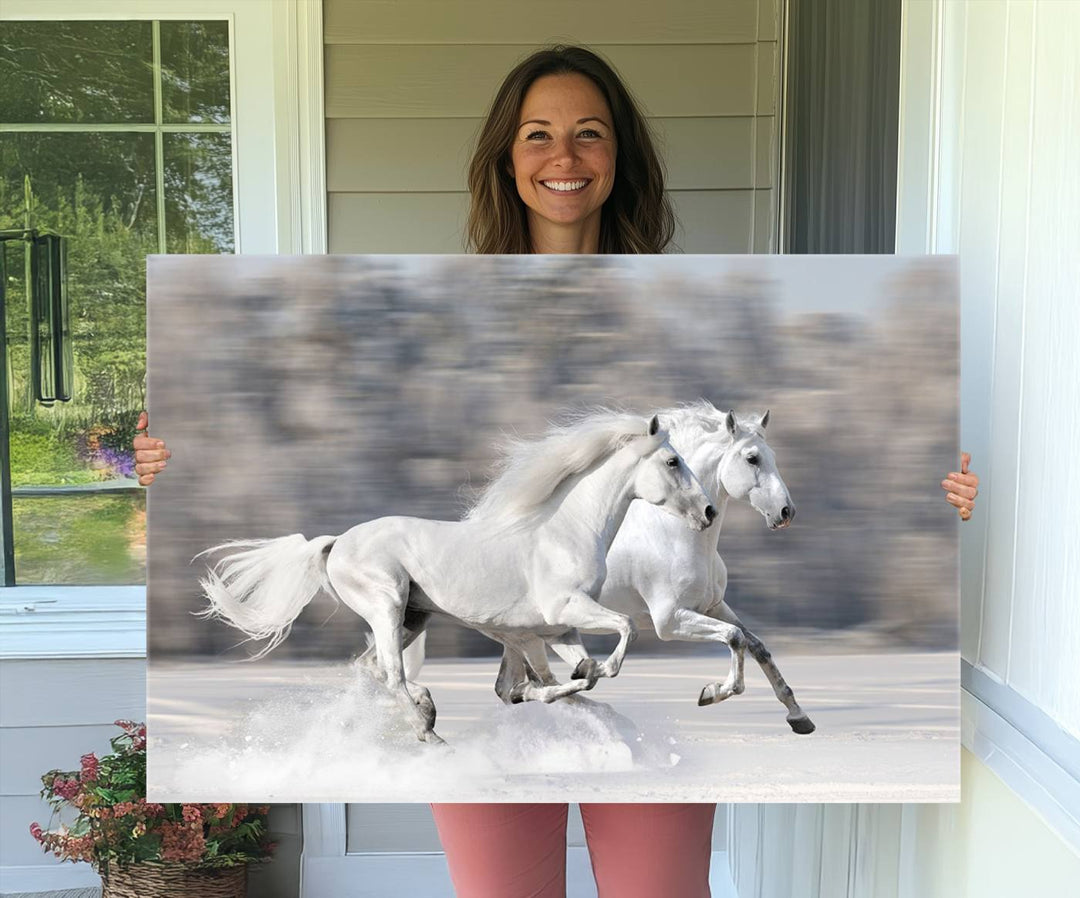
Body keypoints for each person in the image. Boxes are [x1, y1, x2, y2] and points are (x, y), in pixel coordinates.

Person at [134, 45, 979, 898]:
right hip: (493, 665)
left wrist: (942, 499)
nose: (564, 157)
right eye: (537, 135)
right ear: (507, 157)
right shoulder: (440, 310)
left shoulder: (686, 307)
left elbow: (739, 467)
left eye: (589, 134)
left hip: (630, 698)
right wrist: (169, 467)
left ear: (621, 158)